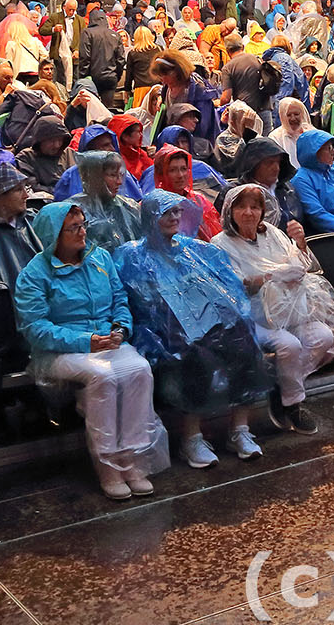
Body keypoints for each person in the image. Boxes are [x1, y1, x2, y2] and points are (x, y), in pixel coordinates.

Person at [14, 201, 168, 500]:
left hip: (106, 341)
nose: (82, 232)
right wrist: (87, 340)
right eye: (73, 228)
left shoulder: (100, 258)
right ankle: (107, 465)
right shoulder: (35, 274)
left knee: (139, 370)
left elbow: (119, 298)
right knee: (103, 377)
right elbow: (35, 328)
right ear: (53, 234)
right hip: (59, 350)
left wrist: (121, 329)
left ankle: (133, 460)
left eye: (83, 225)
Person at [115, 190, 272, 468]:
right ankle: (191, 438)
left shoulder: (193, 248)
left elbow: (224, 288)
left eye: (177, 211)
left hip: (204, 324)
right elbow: (142, 302)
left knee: (244, 341)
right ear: (151, 217)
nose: (175, 217)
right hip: (163, 331)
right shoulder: (133, 254)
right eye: (166, 212)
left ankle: (240, 430)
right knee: (194, 353)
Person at [211, 184, 334, 434]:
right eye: (242, 207)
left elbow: (301, 264)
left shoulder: (273, 234)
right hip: (252, 316)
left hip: (289, 309)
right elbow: (232, 288)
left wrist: (300, 245)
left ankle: (282, 386)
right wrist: (268, 277)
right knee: (289, 346)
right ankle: (293, 404)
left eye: (255, 207)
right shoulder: (220, 243)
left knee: (323, 336)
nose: (248, 213)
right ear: (230, 211)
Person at [53, 124, 143, 202]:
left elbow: (136, 201)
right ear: (91, 150)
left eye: (112, 144)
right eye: (105, 145)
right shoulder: (71, 176)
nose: (112, 149)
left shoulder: (122, 173)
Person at [150, 144, 222, 240]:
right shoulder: (152, 206)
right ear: (161, 174)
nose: (180, 175)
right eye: (172, 170)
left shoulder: (200, 201)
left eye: (184, 169)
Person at [232, 137, 303, 228]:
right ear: (254, 165)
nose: (276, 168)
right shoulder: (235, 193)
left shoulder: (287, 189)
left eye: (278, 162)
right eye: (269, 163)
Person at [15, 115, 73, 192]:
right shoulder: (26, 158)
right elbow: (31, 187)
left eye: (60, 140)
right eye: (51, 140)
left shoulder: (69, 154)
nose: (57, 145)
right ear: (40, 141)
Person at [213, 101, 258, 177]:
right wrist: (248, 133)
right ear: (232, 122)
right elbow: (236, 163)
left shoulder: (253, 136)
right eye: (244, 123)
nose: (246, 126)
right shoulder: (224, 139)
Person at [269, 96, 314, 166]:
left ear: (302, 114)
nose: (293, 118)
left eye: (296, 114)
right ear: (282, 117)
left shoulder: (311, 132)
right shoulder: (275, 137)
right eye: (289, 115)